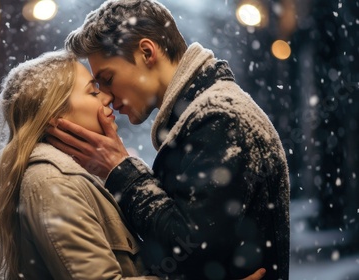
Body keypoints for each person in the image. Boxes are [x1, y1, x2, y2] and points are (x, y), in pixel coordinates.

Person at [46, 0, 290, 279]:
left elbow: (192, 249)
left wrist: (121, 170)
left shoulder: (219, 117)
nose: (107, 96)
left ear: (147, 52)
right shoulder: (204, 114)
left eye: (108, 78)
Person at [0, 50, 159, 279]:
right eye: (94, 92)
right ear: (55, 115)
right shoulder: (51, 183)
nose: (108, 98)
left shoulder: (77, 175)